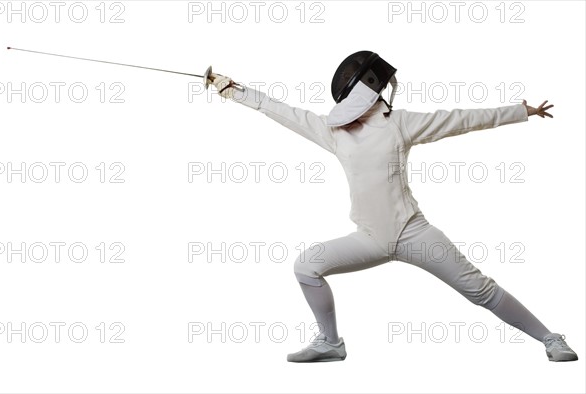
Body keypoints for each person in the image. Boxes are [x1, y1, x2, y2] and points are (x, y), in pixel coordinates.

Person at [208, 51, 578, 363]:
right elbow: (279, 110)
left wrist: (519, 111)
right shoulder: (331, 132)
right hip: (369, 237)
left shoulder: (399, 123)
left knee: (479, 290)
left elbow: (460, 120)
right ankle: (332, 343)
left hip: (413, 233)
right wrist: (229, 88)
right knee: (306, 265)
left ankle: (549, 338)